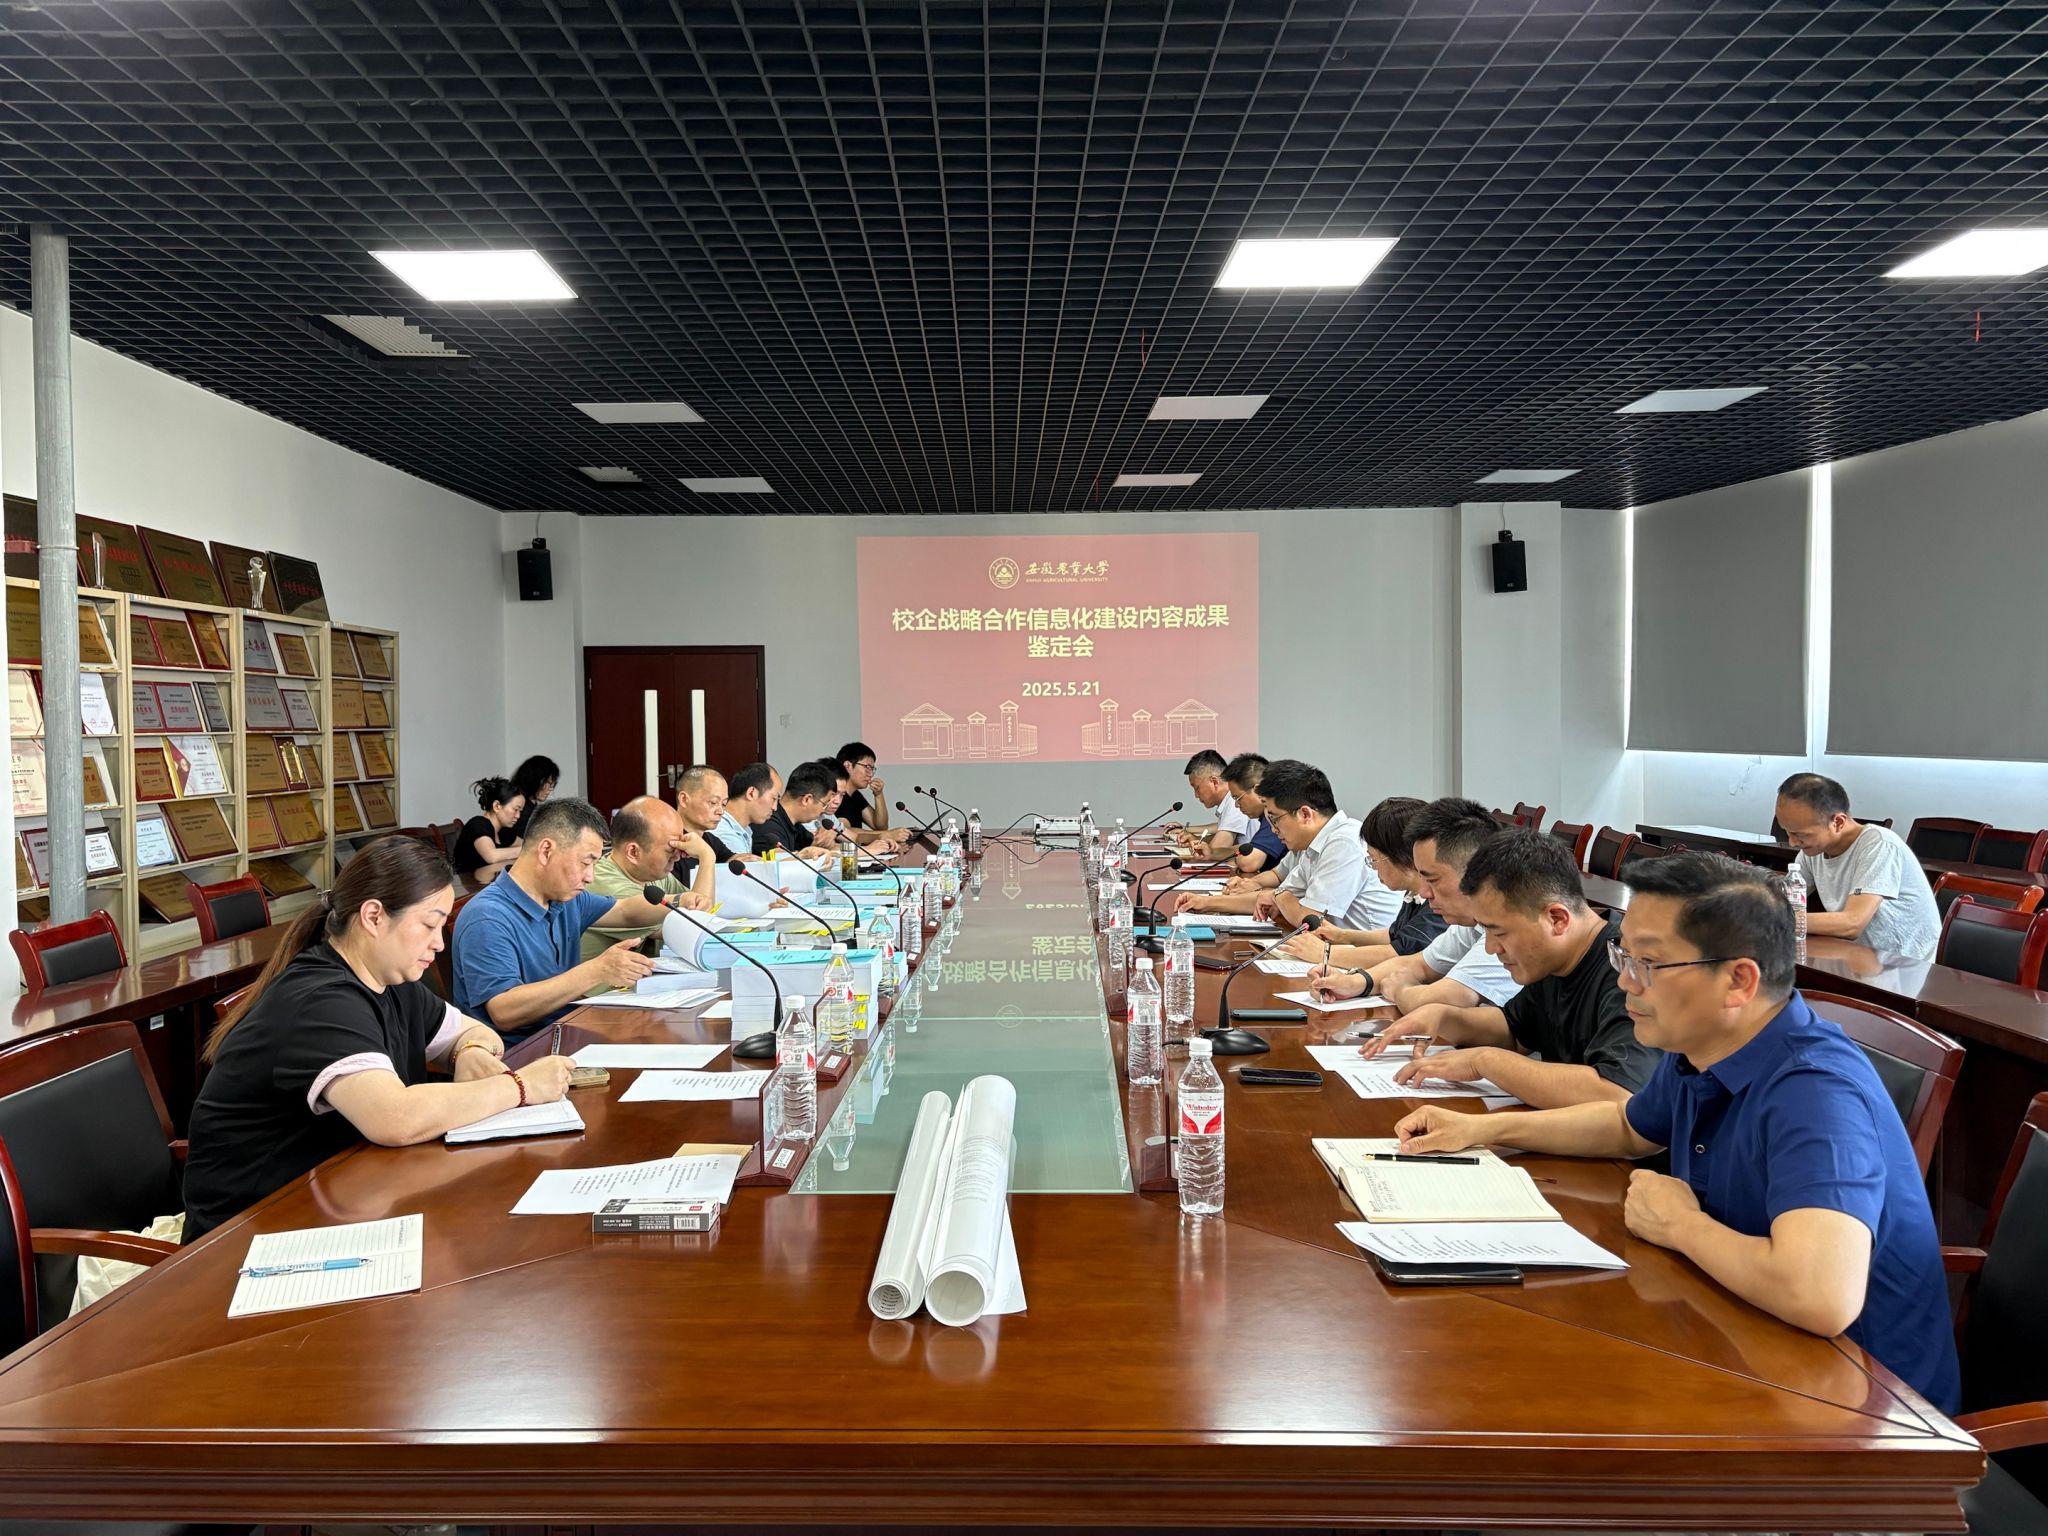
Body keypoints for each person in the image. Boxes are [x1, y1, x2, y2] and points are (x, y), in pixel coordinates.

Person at [1394, 852, 1960, 1415]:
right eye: (1623, 955)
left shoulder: (1816, 1091)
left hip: (1861, 1410)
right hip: (1741, 1336)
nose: (1624, 982)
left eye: (1648, 964)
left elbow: (1818, 1295)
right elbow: (1626, 1125)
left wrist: (1681, 1225)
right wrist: (1484, 1129)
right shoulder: (1702, 1047)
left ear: (1738, 981)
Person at [182, 836, 574, 1243]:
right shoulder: (322, 1000)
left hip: (337, 1201)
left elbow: (475, 1031)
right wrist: (520, 1087)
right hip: (246, 1235)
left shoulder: (392, 980)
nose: (439, 943)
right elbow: (395, 1118)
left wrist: (469, 1051)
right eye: (429, 925)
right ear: (373, 917)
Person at [1381, 828, 1660, 1107]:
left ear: (1557, 919)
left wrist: (1484, 1062)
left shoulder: (1628, 971)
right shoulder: (1553, 958)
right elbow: (1515, 1031)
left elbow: (1618, 1094)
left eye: (1499, 933)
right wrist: (1444, 1017)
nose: (1491, 948)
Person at [450, 796, 671, 1040]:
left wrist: (682, 901)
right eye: (586, 863)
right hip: (521, 1051)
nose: (590, 876)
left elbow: (625, 911)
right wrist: (596, 971)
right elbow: (504, 1011)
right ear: (546, 851)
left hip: (568, 1030)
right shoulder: (488, 917)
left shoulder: (564, 898)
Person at [1308, 797, 1521, 1025]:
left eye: (1433, 880)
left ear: (1476, 872)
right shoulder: (1470, 924)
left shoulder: (1509, 925)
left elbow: (1451, 997)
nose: (1424, 892)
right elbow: (1419, 964)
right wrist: (1354, 983)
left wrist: (1400, 991)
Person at [1179, 760, 1394, 932]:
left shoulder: (1343, 842)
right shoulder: (1312, 845)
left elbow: (1310, 919)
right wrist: (1205, 903)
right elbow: (1273, 898)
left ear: (1305, 814)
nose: (1273, 829)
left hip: (1365, 961)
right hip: (1333, 952)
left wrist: (1278, 896)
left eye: (1275, 819)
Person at [1775, 773, 1940, 960]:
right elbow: (1781, 901)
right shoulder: (1813, 851)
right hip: (1855, 956)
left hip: (1902, 964)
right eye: (1787, 832)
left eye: (1800, 834)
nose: (1792, 842)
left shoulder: (1879, 845)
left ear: (1838, 822)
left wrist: (1782, 920)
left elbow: (1852, 923)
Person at [1275, 796, 1445, 966]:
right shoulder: (1414, 894)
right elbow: (1394, 935)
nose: (1372, 867)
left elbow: (1400, 953)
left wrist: (1325, 953)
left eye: (1374, 859)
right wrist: (1342, 935)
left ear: (1402, 855)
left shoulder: (1438, 900)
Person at [581, 797, 714, 977]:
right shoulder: (604, 883)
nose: (678, 856)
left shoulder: (651, 874)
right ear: (633, 852)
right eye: (671, 849)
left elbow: (702, 908)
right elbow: (693, 928)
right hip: (604, 992)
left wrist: (706, 859)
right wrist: (707, 857)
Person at [1169, 750, 1251, 858]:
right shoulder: (1229, 799)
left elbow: (1214, 851)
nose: (1196, 795)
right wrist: (1197, 839)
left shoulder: (1234, 800)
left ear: (1214, 782)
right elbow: (1221, 835)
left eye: (1197, 788)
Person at [753, 759, 838, 857]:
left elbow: (815, 846)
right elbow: (779, 861)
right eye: (824, 804)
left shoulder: (795, 824)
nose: (824, 811)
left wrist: (825, 842)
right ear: (807, 799)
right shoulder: (768, 824)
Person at [675, 764, 738, 877]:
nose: (721, 811)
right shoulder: (669, 845)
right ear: (684, 800)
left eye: (724, 804)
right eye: (713, 802)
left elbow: (735, 860)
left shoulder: (711, 840)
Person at [452, 777, 523, 876]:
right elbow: (491, 856)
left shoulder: (504, 831)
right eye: (515, 809)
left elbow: (526, 845)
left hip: (489, 882)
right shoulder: (478, 824)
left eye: (520, 811)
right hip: (469, 884)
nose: (518, 815)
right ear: (497, 806)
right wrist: (526, 851)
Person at [836, 741, 891, 834]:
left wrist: (878, 795)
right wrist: (888, 834)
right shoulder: (836, 796)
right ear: (847, 765)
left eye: (872, 769)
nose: (870, 774)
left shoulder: (855, 796)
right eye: (867, 767)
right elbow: (844, 832)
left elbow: (881, 827)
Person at [507, 754, 559, 839]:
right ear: (534, 779)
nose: (550, 789)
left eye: (552, 784)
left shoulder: (531, 805)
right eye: (547, 783)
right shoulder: (521, 808)